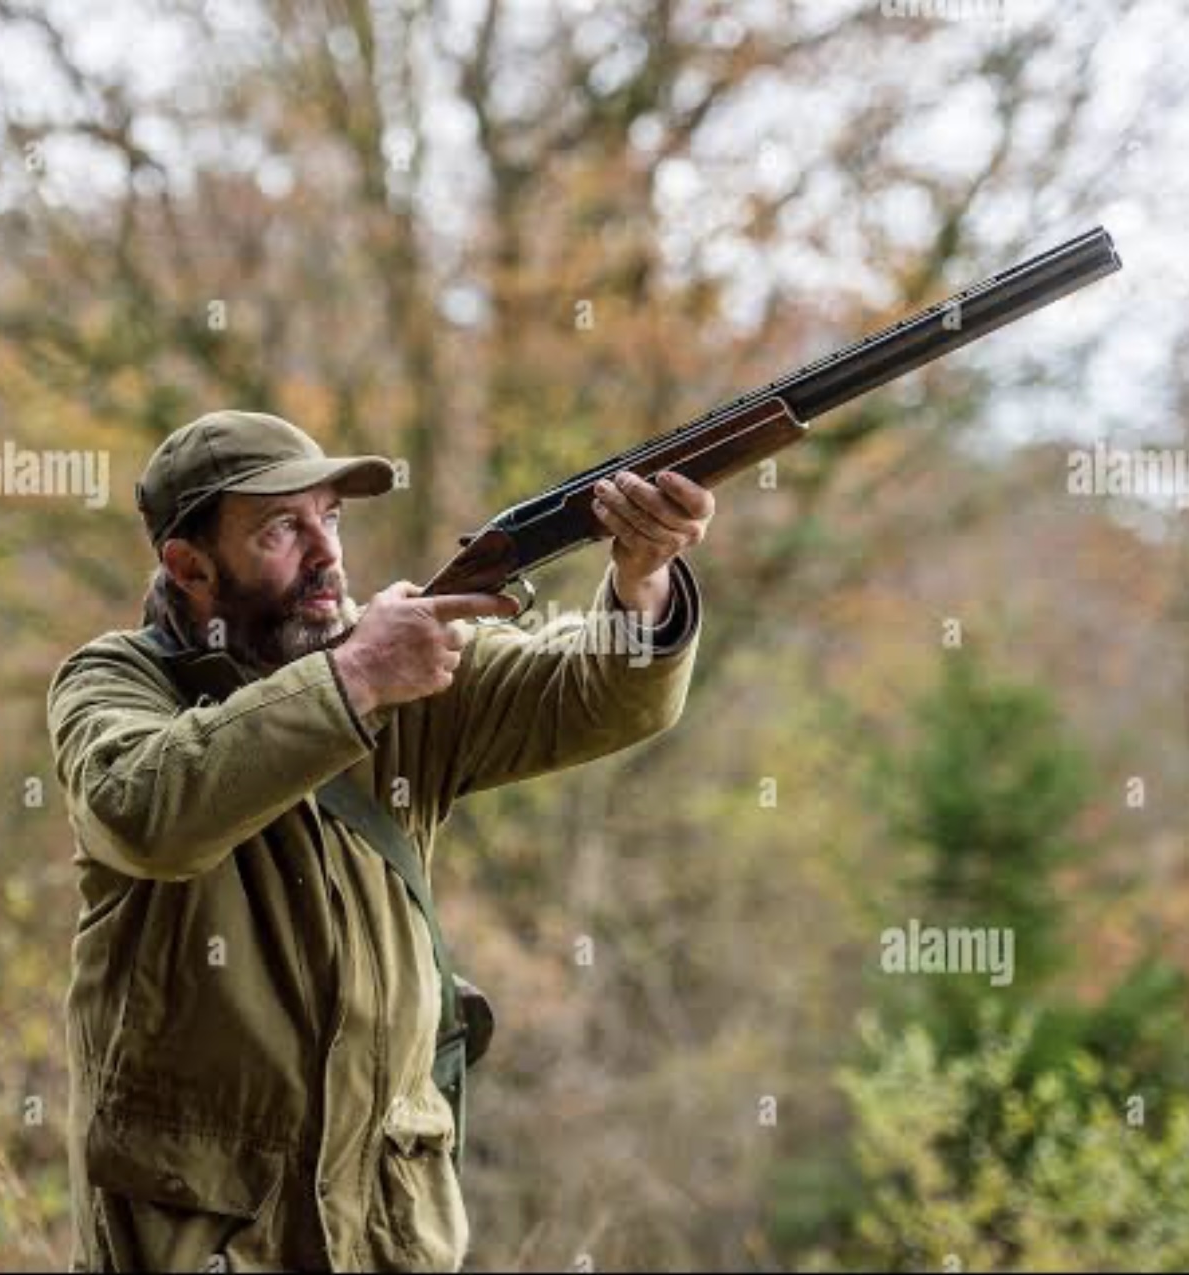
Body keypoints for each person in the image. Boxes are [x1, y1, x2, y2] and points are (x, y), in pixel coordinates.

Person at [47, 410, 716, 1272]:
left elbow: (594, 693)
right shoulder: (115, 681)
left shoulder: (397, 658)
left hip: (384, 1235)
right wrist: (356, 678)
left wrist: (642, 576)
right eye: (281, 529)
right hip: (201, 1241)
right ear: (189, 566)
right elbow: (144, 813)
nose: (326, 553)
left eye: (329, 517)